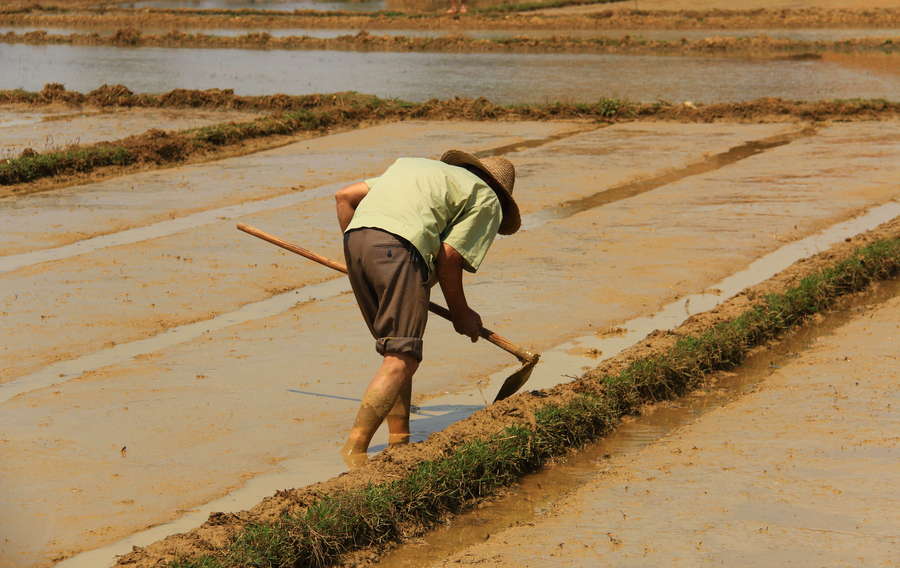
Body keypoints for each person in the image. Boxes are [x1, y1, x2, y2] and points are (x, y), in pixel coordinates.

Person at [334, 150, 520, 466]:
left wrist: (371, 253)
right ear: (495, 188)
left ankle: (400, 438)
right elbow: (449, 256)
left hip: (357, 242)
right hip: (400, 248)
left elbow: (345, 197)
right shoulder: (485, 197)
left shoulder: (418, 169)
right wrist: (462, 313)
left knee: (396, 351)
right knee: (402, 356)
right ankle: (354, 450)